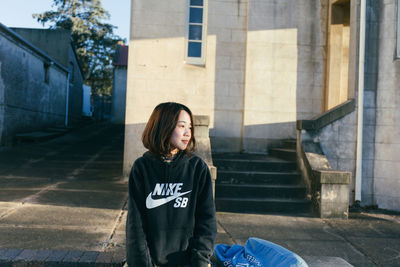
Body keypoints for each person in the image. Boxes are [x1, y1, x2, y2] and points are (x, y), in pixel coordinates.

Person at [126, 102, 217, 267]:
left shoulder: (197, 168)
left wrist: (200, 261)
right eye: (182, 126)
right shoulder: (142, 168)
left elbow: (207, 221)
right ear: (164, 126)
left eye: (190, 127)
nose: (187, 132)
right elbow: (135, 225)